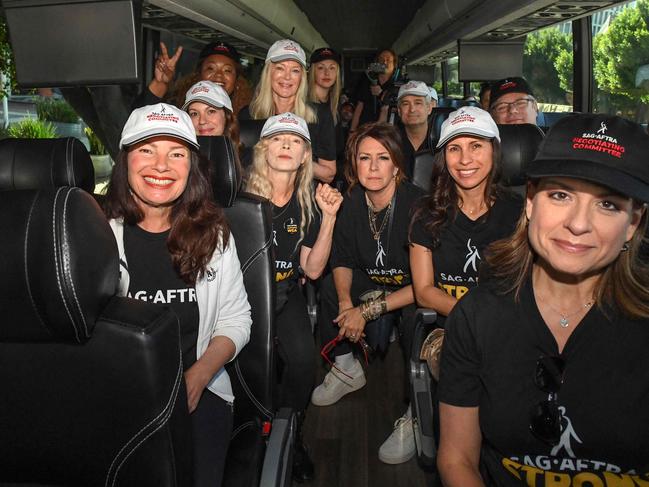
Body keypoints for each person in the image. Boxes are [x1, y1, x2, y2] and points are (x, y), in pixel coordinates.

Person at [436, 114, 649, 486]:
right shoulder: (477, 316)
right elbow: (457, 458)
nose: (579, 224)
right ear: (531, 201)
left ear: (633, 223)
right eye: (561, 195)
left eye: (608, 205)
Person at [103, 103, 252, 487]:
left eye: (176, 153)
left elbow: (236, 320)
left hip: (199, 391)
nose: (161, 165)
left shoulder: (214, 233)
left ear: (192, 167)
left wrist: (199, 375)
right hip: (118, 396)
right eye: (147, 150)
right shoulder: (98, 232)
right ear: (125, 160)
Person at [312, 122, 425, 465]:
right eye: (364, 158)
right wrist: (347, 304)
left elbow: (424, 286)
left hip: (410, 290)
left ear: (397, 165)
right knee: (330, 286)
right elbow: (342, 258)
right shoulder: (349, 203)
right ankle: (348, 370)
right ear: (353, 164)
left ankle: (417, 413)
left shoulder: (419, 205)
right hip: (368, 279)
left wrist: (367, 311)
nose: (373, 167)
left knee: (417, 321)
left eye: (383, 158)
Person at [245, 112, 343, 482]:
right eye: (277, 138)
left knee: (303, 363)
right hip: (244, 299)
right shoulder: (240, 197)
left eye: (295, 140)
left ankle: (291, 432)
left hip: (286, 293)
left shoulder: (308, 206)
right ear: (263, 149)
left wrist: (330, 217)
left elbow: (314, 270)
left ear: (305, 156)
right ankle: (252, 431)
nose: (286, 144)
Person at [409, 106, 523, 327]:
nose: (464, 160)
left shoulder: (519, 212)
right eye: (454, 149)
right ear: (444, 157)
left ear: (494, 150)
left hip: (507, 324)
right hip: (449, 325)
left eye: (476, 146)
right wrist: (475, 319)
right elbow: (423, 292)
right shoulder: (425, 212)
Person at [240, 39, 337, 184]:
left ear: (302, 77)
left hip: (301, 198)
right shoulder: (249, 115)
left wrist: (296, 158)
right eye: (280, 68)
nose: (287, 77)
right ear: (268, 72)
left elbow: (329, 174)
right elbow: (239, 167)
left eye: (295, 70)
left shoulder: (319, 115)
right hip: (259, 195)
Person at [134, 40, 252, 115]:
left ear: (236, 79)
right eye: (210, 68)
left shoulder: (246, 117)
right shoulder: (181, 110)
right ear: (198, 75)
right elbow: (139, 120)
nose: (219, 75)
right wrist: (160, 83)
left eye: (227, 70)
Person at [308, 47, 346, 183]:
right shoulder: (305, 106)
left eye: (332, 68)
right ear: (312, 71)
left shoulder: (333, 106)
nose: (326, 73)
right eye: (320, 68)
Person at [391, 80, 438, 179]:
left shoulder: (441, 144)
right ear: (399, 111)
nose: (412, 109)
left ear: (429, 108)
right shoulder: (390, 143)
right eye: (405, 104)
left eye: (418, 103)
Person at [182, 80, 241, 150]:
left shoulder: (248, 158)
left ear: (227, 116)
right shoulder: (180, 157)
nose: (202, 121)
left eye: (211, 111)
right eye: (194, 114)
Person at [351, 49, 399, 130]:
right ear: (376, 63)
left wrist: (381, 94)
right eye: (381, 59)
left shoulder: (399, 84)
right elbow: (359, 106)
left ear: (394, 65)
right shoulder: (367, 79)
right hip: (365, 127)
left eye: (388, 60)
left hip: (388, 130)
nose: (384, 62)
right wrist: (352, 130)